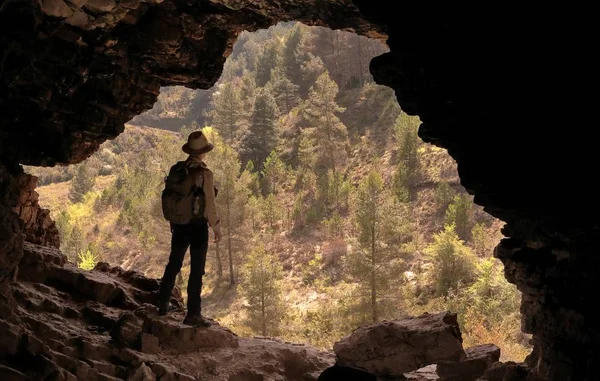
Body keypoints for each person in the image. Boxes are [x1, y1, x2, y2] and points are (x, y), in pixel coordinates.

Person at [157, 130, 222, 327]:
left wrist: (173, 221)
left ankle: (162, 304)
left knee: (173, 264)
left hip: (179, 225)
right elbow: (210, 203)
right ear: (203, 152)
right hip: (198, 227)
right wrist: (216, 227)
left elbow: (173, 198)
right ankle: (193, 314)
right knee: (196, 270)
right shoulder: (204, 174)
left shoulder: (177, 170)